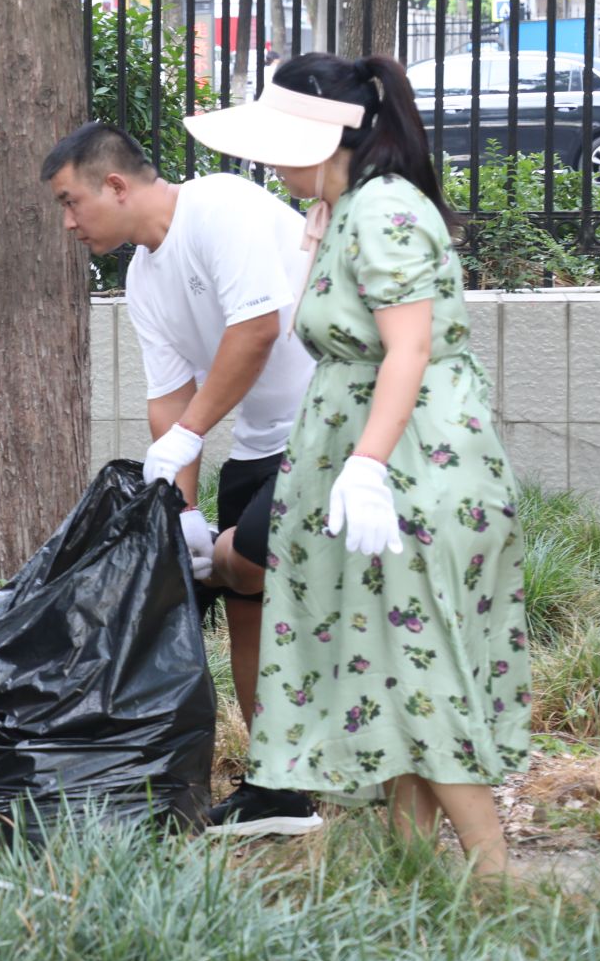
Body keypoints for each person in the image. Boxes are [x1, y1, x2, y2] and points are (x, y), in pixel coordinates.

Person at [186, 52, 529, 878]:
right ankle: (416, 879)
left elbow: (409, 348)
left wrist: (367, 465)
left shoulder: (383, 210)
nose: (267, 161)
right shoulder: (341, 208)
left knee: (422, 670)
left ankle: (498, 887)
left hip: (411, 473)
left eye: (277, 143)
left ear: (322, 137)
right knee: (396, 663)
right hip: (382, 467)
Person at [42, 122, 323, 837]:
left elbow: (257, 329)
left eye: (71, 202)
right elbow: (169, 398)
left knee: (243, 560)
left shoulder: (218, 205)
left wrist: (192, 434)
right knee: (244, 603)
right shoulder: (143, 277)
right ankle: (277, 786)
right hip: (261, 440)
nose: (69, 222)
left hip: (330, 427)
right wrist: (183, 513)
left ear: (115, 185)